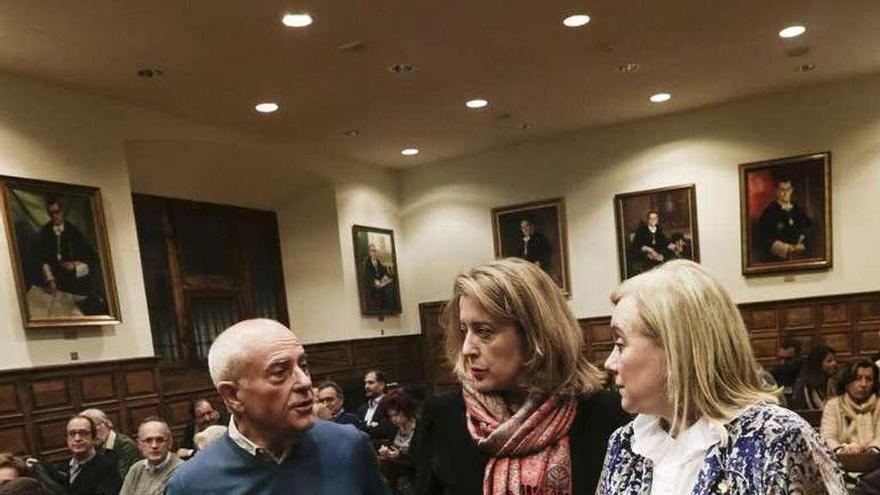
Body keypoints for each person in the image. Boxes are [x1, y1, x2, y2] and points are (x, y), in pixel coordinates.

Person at [597, 260, 845, 494]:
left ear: (677, 349)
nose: (610, 363)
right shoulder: (626, 444)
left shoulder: (776, 437)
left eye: (620, 344)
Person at [415, 258, 630, 494]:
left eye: (484, 332)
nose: (467, 349)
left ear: (535, 334)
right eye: (464, 330)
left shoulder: (607, 416)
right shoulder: (442, 416)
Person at [166, 318, 389, 494]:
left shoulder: (349, 445)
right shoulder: (192, 484)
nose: (305, 382)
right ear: (233, 395)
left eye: (303, 365)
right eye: (280, 372)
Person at [34, 196, 105, 315]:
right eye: (51, 213)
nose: (54, 216)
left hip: (75, 282)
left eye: (57, 212)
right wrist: (50, 279)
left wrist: (75, 265)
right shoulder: (45, 232)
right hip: (55, 282)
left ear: (62, 212)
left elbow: (92, 258)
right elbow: (42, 258)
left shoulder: (73, 231)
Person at [36, 415, 122, 495]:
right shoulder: (63, 467)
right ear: (66, 439)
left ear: (93, 437)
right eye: (72, 434)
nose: (77, 439)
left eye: (83, 433)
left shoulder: (108, 468)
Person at [820, 359, 880, 453]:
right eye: (857, 378)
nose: (863, 384)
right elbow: (827, 437)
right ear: (847, 382)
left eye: (869, 379)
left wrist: (873, 449)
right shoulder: (833, 405)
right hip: (840, 461)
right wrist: (842, 450)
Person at [755, 176, 813, 261]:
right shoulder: (770, 211)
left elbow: (808, 225)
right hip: (778, 258)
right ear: (777, 191)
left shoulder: (797, 208)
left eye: (788, 189)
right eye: (782, 190)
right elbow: (763, 236)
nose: (785, 193)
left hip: (799, 254)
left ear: (792, 190)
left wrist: (802, 236)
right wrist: (785, 248)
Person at [119, 418, 182, 495]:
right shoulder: (136, 469)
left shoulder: (181, 471)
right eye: (148, 440)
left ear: (170, 442)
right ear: (139, 444)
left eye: (160, 440)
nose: (154, 446)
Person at [79, 408, 142, 481]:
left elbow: (124, 479)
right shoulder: (96, 447)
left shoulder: (125, 446)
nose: (92, 434)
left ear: (106, 424)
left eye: (93, 428)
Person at [378, 389, 418, 495]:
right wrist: (386, 453)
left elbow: (423, 459)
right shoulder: (393, 429)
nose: (393, 419)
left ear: (406, 410)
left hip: (418, 482)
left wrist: (399, 456)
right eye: (390, 416)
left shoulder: (421, 427)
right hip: (398, 483)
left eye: (396, 414)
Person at [792, 345, 838, 410]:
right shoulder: (807, 385)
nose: (834, 363)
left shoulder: (833, 381)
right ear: (818, 363)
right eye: (829, 361)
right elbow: (814, 412)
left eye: (835, 360)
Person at [629, 211, 674, 275]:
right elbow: (638, 245)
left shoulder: (658, 229)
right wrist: (651, 251)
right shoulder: (642, 230)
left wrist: (673, 246)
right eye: (651, 218)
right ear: (648, 219)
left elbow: (664, 242)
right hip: (645, 256)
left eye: (655, 218)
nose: (653, 220)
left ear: (657, 220)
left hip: (657, 256)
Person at [356, 370, 396, 443]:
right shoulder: (361, 409)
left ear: (382, 385)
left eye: (371, 383)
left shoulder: (390, 404)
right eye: (365, 383)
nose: (367, 386)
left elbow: (385, 431)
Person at [363, 244, 398, 312]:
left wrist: (385, 276)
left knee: (391, 284)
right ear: (369, 252)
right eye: (372, 251)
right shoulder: (367, 263)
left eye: (374, 251)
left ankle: (392, 308)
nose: (374, 253)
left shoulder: (377, 261)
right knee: (384, 290)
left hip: (381, 284)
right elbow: (368, 276)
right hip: (372, 287)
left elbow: (383, 270)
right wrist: (374, 280)